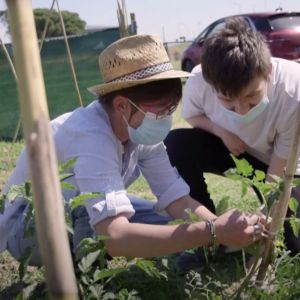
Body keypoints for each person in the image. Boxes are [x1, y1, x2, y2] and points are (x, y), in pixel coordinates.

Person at [0, 34, 266, 266]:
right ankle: (81, 274)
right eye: (160, 112)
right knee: (100, 220)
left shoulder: (138, 130)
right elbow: (114, 237)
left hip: (73, 214)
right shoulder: (91, 135)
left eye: (171, 110)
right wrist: (212, 232)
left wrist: (225, 229)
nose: (166, 119)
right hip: (28, 232)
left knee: (163, 219)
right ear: (122, 106)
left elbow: (177, 199)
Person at [164, 18, 300, 255]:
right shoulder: (199, 81)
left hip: (280, 163)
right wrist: (222, 132)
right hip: (235, 149)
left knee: (293, 245)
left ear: (267, 72)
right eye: (227, 100)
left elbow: (279, 171)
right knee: (177, 143)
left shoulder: (293, 91)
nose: (242, 111)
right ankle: (206, 235)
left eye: (252, 97)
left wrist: (268, 214)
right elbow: (193, 117)